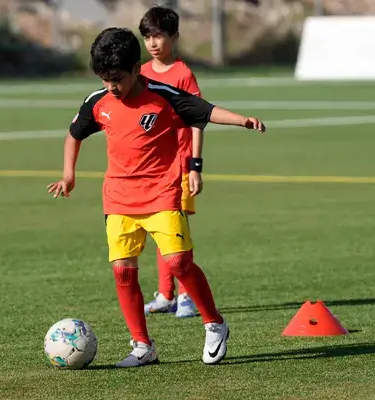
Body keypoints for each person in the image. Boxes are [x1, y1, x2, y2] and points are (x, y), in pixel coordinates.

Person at [47, 27, 265, 368]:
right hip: (118, 198)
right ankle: (143, 346)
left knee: (179, 263)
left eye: (117, 78)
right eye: (104, 79)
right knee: (123, 272)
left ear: (137, 69)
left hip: (162, 193)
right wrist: (69, 174)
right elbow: (74, 135)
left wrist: (243, 121)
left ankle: (215, 323)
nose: (111, 87)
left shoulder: (164, 95)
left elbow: (205, 111)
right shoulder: (97, 102)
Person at [139, 5, 202, 319]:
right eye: (148, 36)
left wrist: (195, 166)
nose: (153, 43)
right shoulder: (140, 73)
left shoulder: (182, 74)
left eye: (159, 36)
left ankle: (188, 295)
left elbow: (198, 119)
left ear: (174, 37)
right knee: (158, 230)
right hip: (152, 168)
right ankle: (166, 294)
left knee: (178, 231)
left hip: (179, 164)